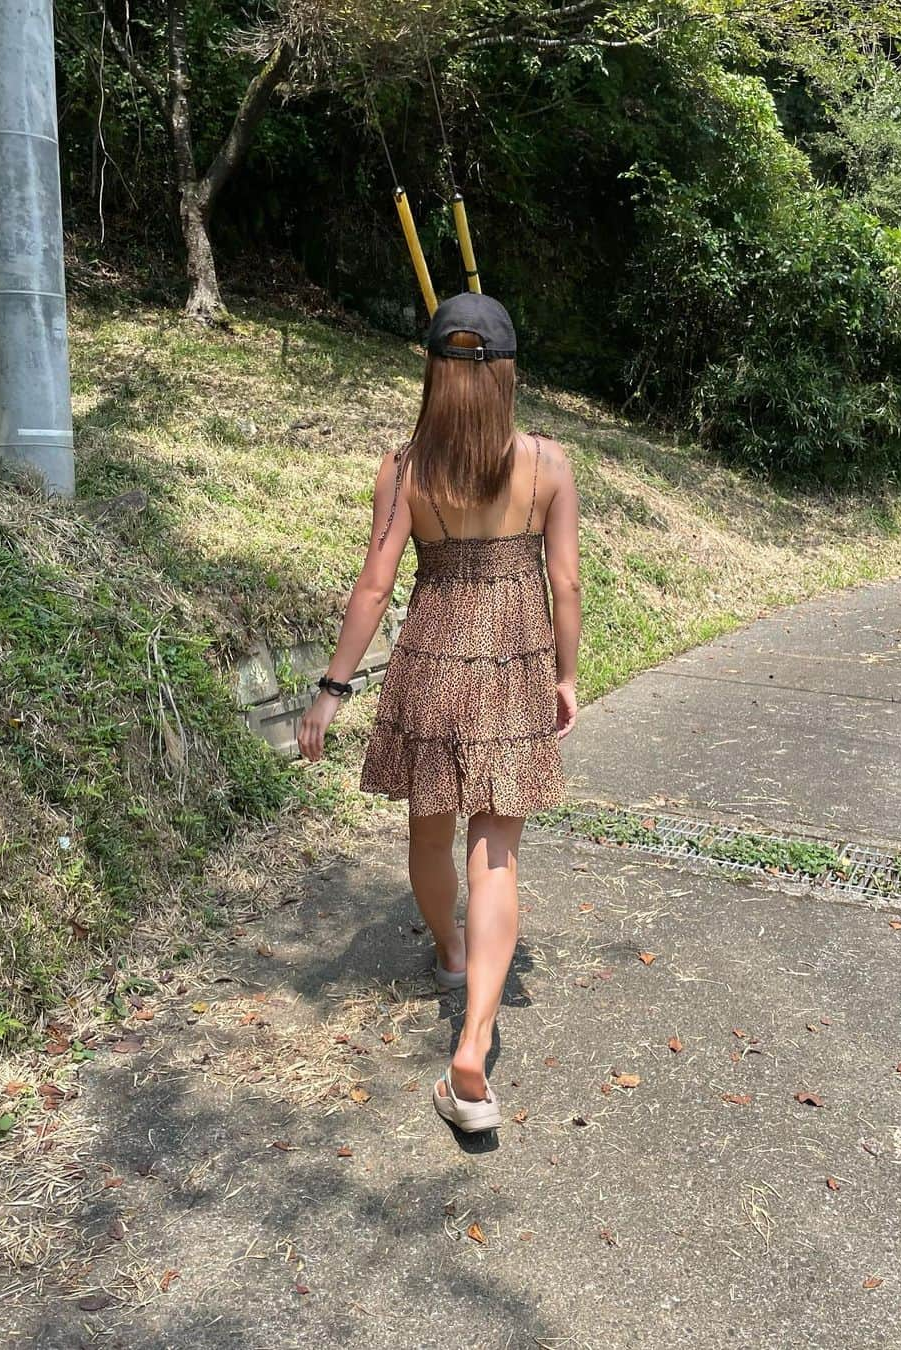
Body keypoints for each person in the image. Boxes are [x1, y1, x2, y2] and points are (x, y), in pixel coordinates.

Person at [298, 292, 581, 1133]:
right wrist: (566, 677)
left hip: (430, 657)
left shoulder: (404, 468)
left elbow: (376, 584)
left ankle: (452, 954)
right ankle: (474, 1045)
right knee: (495, 855)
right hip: (514, 661)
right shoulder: (548, 464)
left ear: (432, 369)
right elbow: (564, 582)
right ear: (506, 373)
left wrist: (331, 689)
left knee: (430, 830)